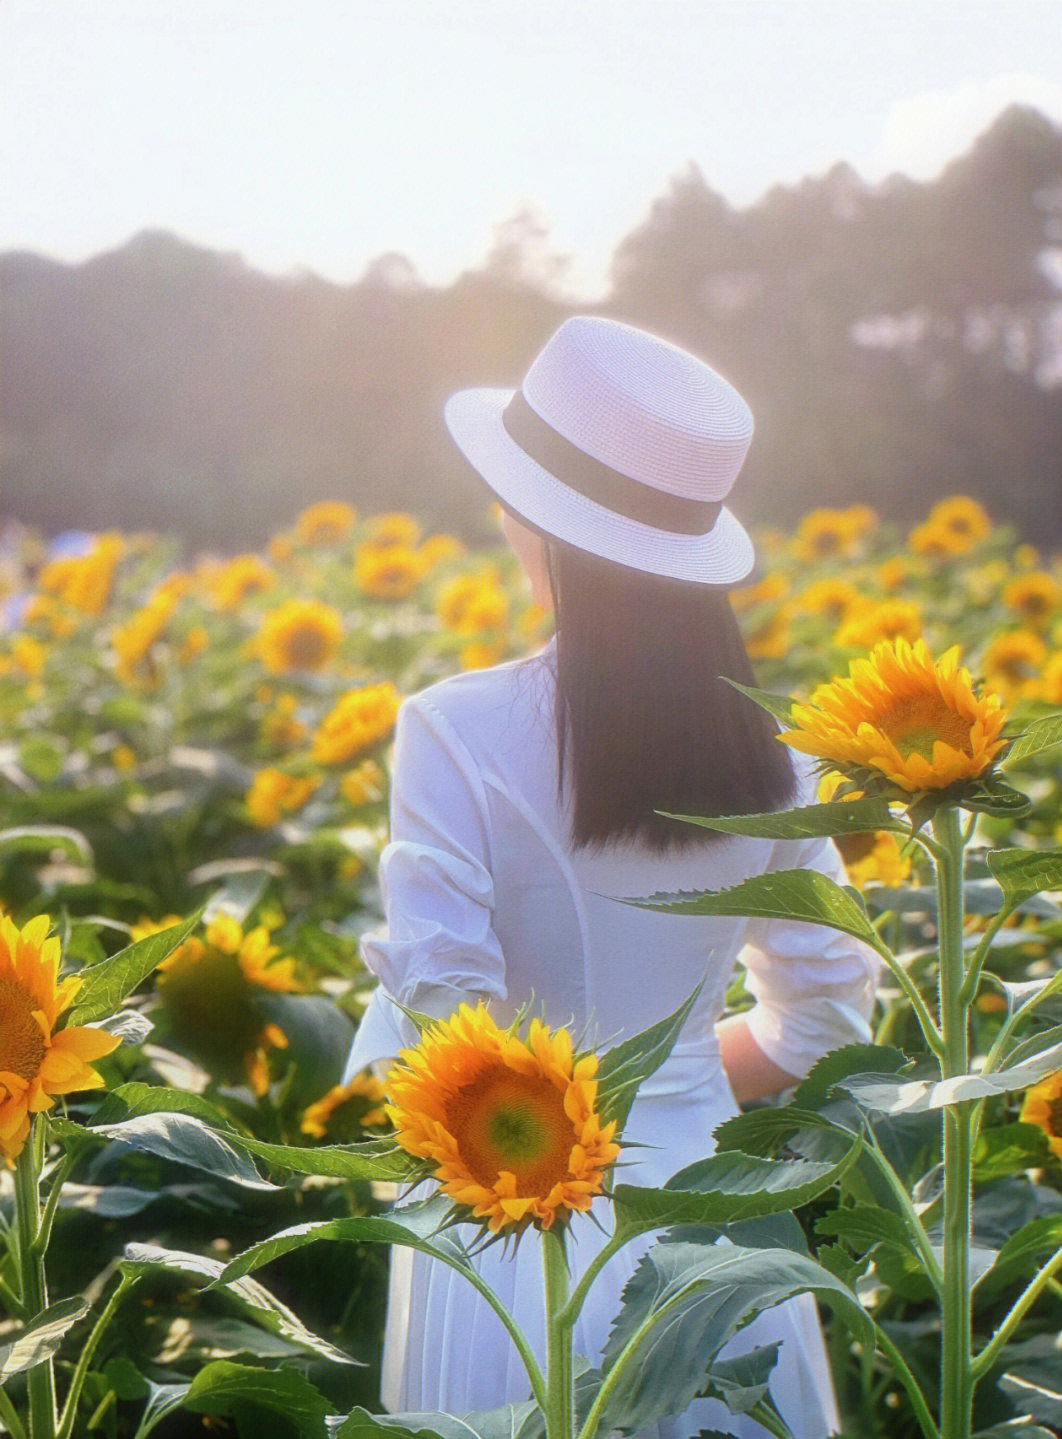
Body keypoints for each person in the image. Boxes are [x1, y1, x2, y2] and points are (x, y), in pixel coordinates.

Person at [343, 316, 880, 1437]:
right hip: (703, 1236)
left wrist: (562, 1109)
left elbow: (442, 1006)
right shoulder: (777, 759)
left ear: (539, 524)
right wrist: (676, 1076)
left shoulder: (453, 729)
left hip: (501, 1230)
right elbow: (828, 1020)